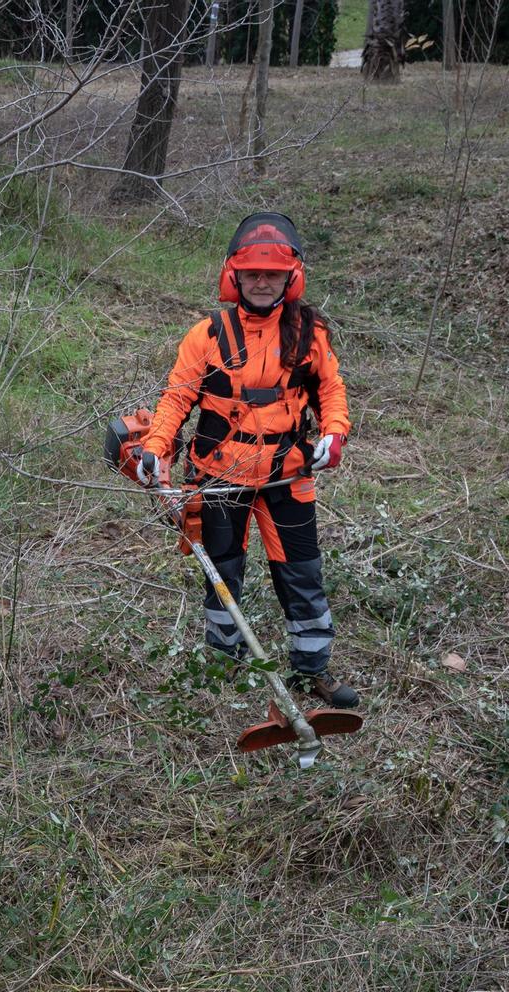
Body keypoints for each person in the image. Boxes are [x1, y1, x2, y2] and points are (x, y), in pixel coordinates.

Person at [124, 211, 359, 708]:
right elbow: (175, 399)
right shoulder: (206, 335)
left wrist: (334, 433)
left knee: (302, 573)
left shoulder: (309, 333)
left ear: (290, 278)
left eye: (271, 273)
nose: (260, 281)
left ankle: (311, 667)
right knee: (222, 571)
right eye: (252, 272)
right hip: (218, 477)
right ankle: (222, 662)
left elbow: (331, 392)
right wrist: (156, 446)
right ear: (234, 274)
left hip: (287, 476)